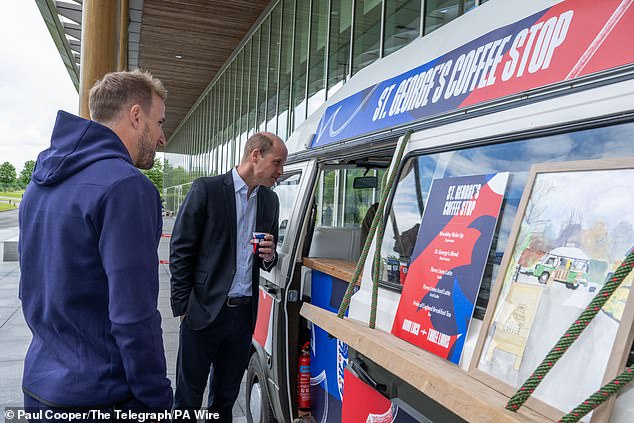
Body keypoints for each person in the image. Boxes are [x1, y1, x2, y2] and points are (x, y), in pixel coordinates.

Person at [18, 70, 173, 416]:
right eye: (159, 122)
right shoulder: (126, 187)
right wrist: (159, 400)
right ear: (136, 116)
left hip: (41, 388)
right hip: (103, 397)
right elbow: (134, 317)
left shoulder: (39, 183)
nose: (163, 137)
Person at [170, 132, 287, 422]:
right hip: (203, 312)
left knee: (225, 399)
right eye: (277, 163)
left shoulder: (270, 201)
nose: (280, 172)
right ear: (255, 155)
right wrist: (184, 307)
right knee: (187, 398)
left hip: (242, 316)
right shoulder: (206, 190)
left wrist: (270, 255)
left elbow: (267, 261)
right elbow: (181, 250)